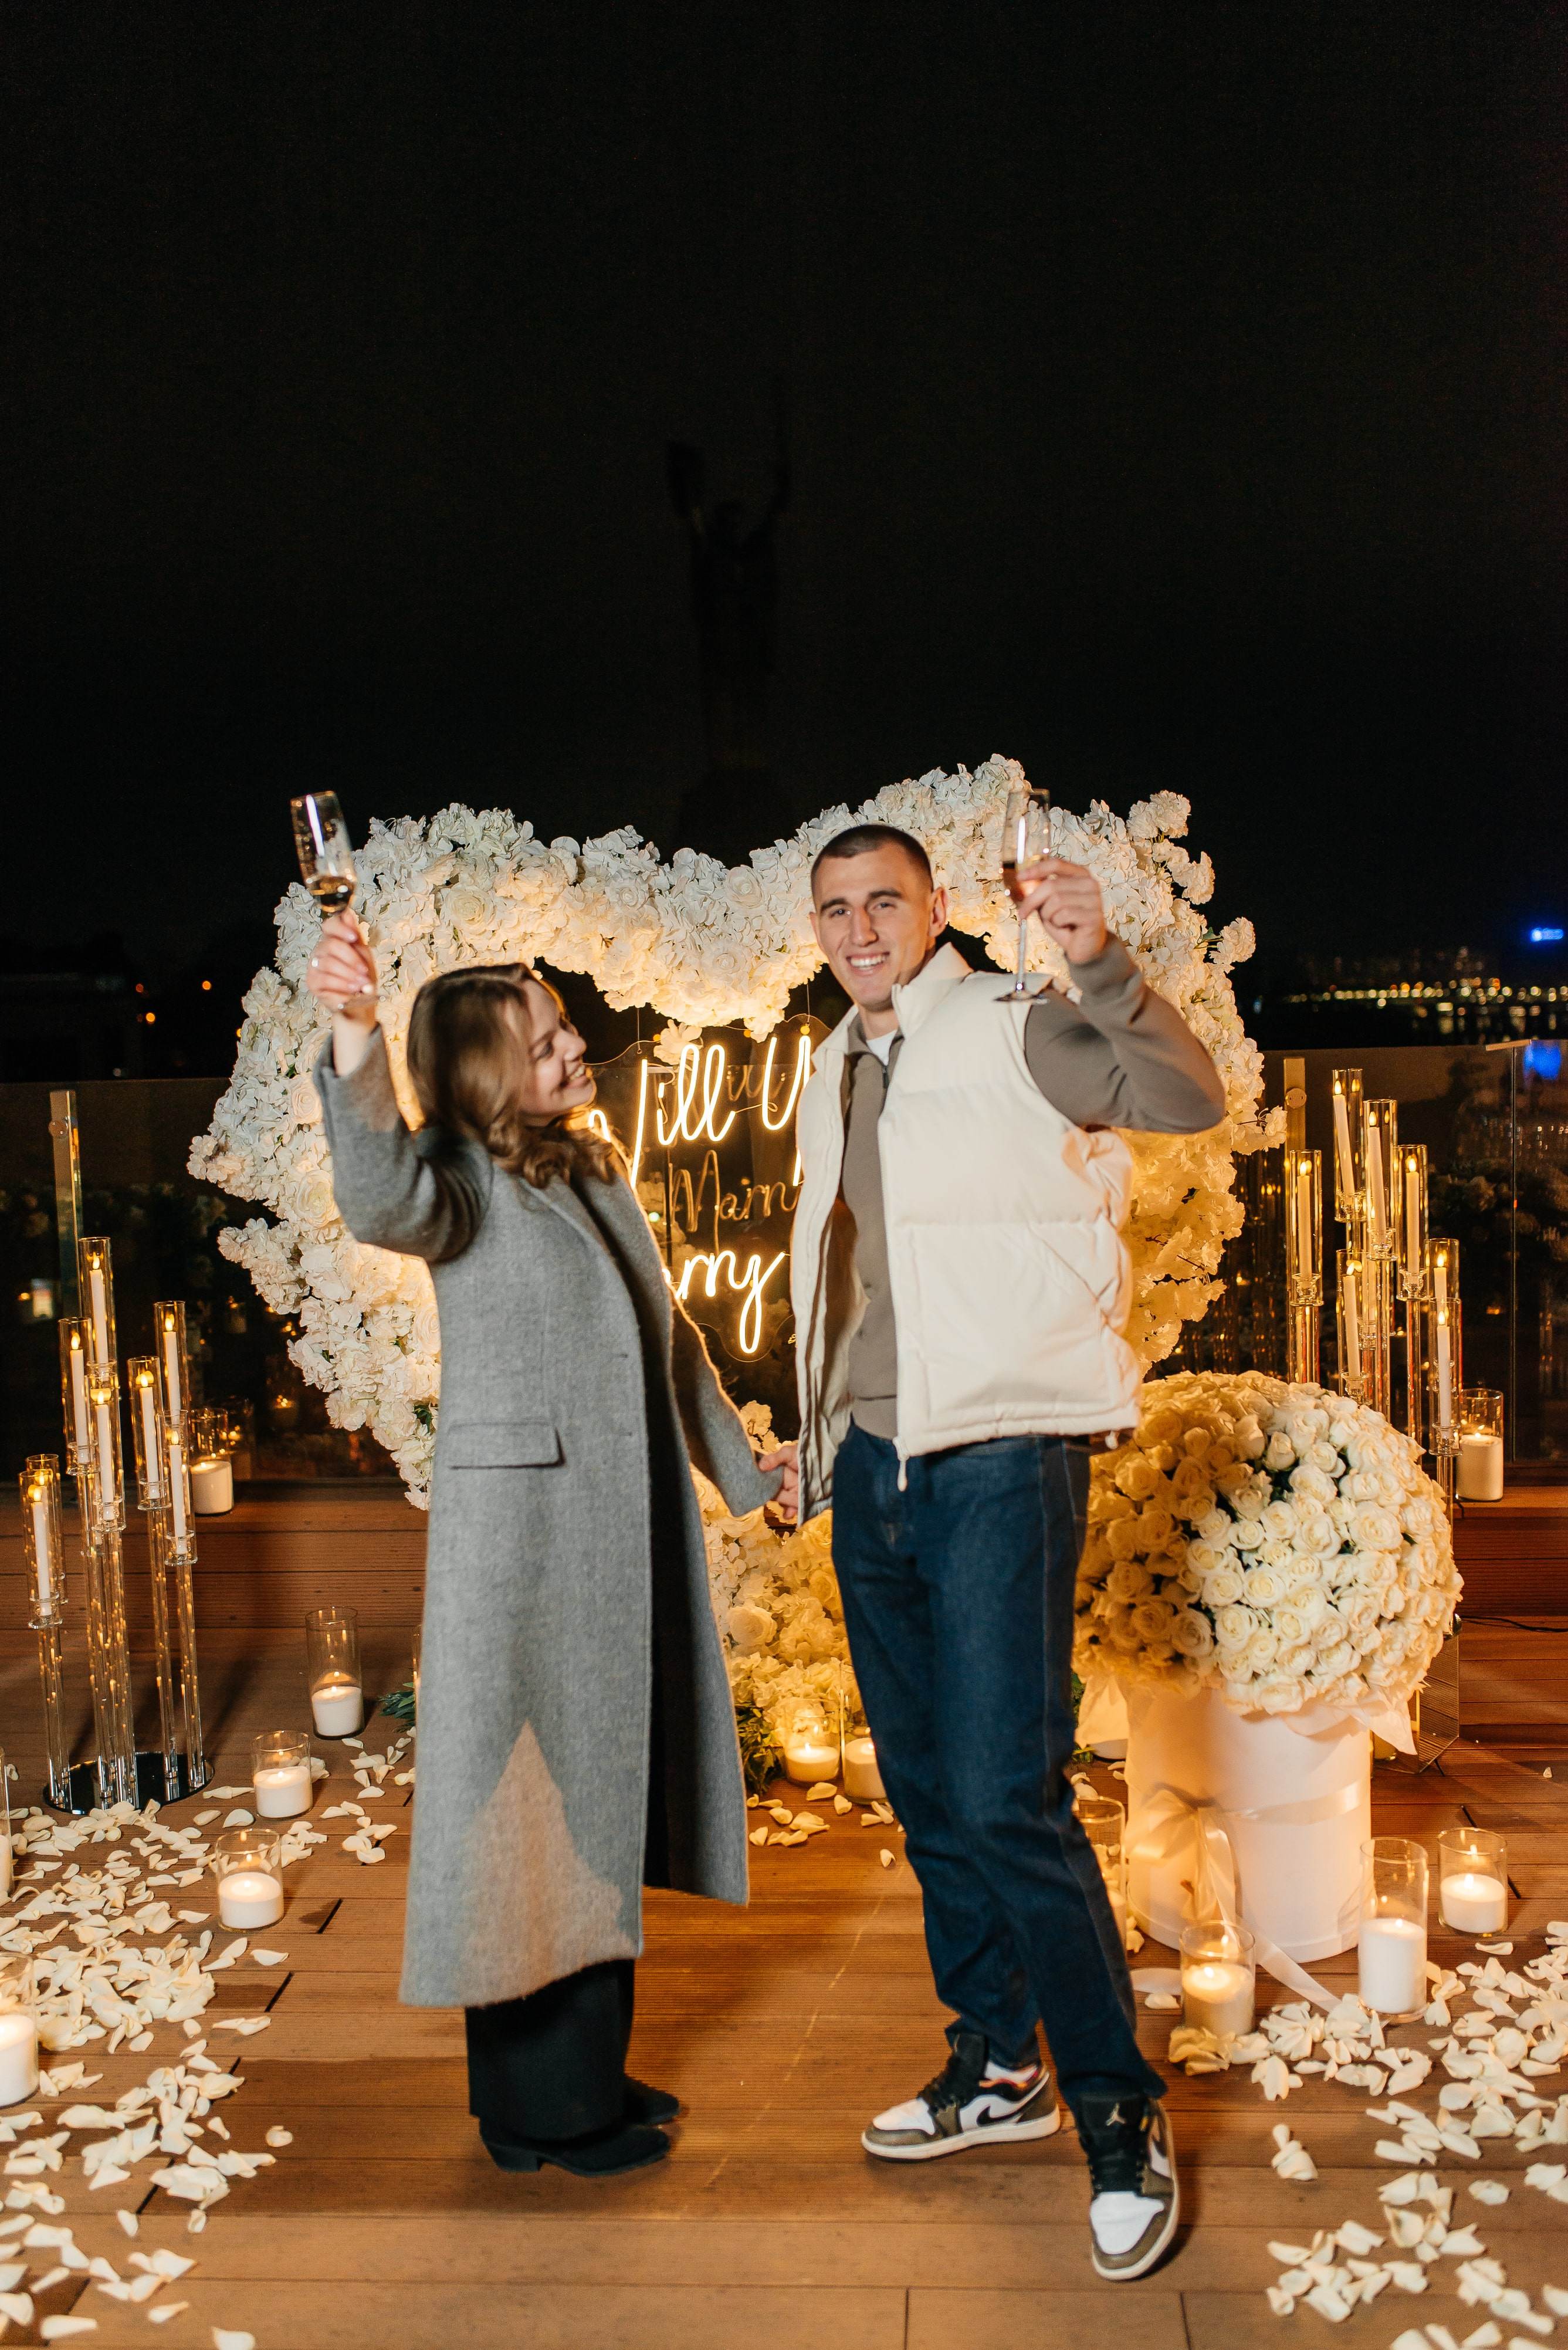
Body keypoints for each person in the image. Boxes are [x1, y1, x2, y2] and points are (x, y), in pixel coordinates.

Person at [781, 821, 1226, 2280]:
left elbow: (1183, 1095)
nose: (859, 928)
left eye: (884, 902)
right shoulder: (833, 1062)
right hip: (876, 1463)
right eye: (835, 908)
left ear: (936, 911)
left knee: (1004, 1796)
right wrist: (817, 1434)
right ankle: (995, 2062)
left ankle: (1115, 2109)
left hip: (999, 1456)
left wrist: (1098, 961)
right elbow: (851, 1274)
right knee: (925, 1794)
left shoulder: (1013, 1021)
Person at [304, 915, 797, 2179]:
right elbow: (375, 1192)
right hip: (522, 1556)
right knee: (523, 1811)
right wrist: (354, 1034)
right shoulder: (454, 1177)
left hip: (616, 1535)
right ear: (482, 1072)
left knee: (596, 1802)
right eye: (544, 1040)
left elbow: (671, 1345)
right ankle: (540, 2115)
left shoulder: (586, 1165)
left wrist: (750, 1475)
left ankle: (580, 2077)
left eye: (567, 1026)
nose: (575, 1046)